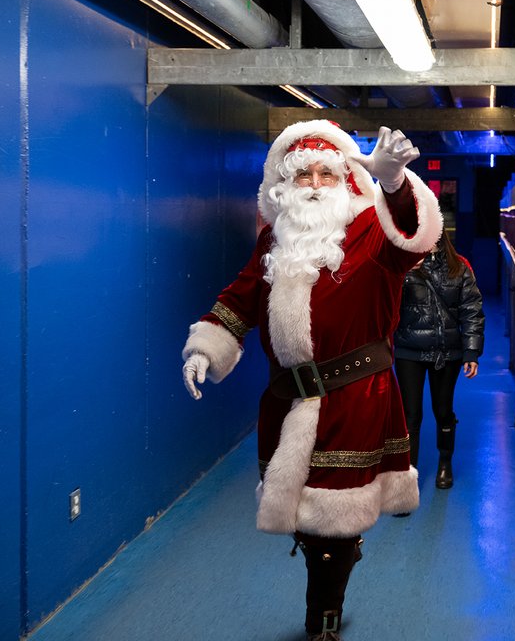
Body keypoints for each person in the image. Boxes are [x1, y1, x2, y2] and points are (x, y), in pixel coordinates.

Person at [180, 121, 443, 641]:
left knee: (333, 518)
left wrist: (394, 184)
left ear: (346, 180)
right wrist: (206, 348)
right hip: (286, 401)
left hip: (355, 397)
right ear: (286, 185)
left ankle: (323, 618)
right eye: (305, 175)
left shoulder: (372, 229)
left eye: (328, 173)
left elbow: (415, 239)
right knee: (306, 515)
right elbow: (240, 298)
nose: (317, 184)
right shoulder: (273, 240)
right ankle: (333, 567)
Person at [393, 230, 485, 491]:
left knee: (443, 411)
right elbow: (383, 301)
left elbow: (471, 310)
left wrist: (471, 352)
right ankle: (408, 478)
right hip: (408, 350)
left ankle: (445, 463)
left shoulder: (460, 267)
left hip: (447, 352)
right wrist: (400, 272)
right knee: (410, 415)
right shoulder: (401, 265)